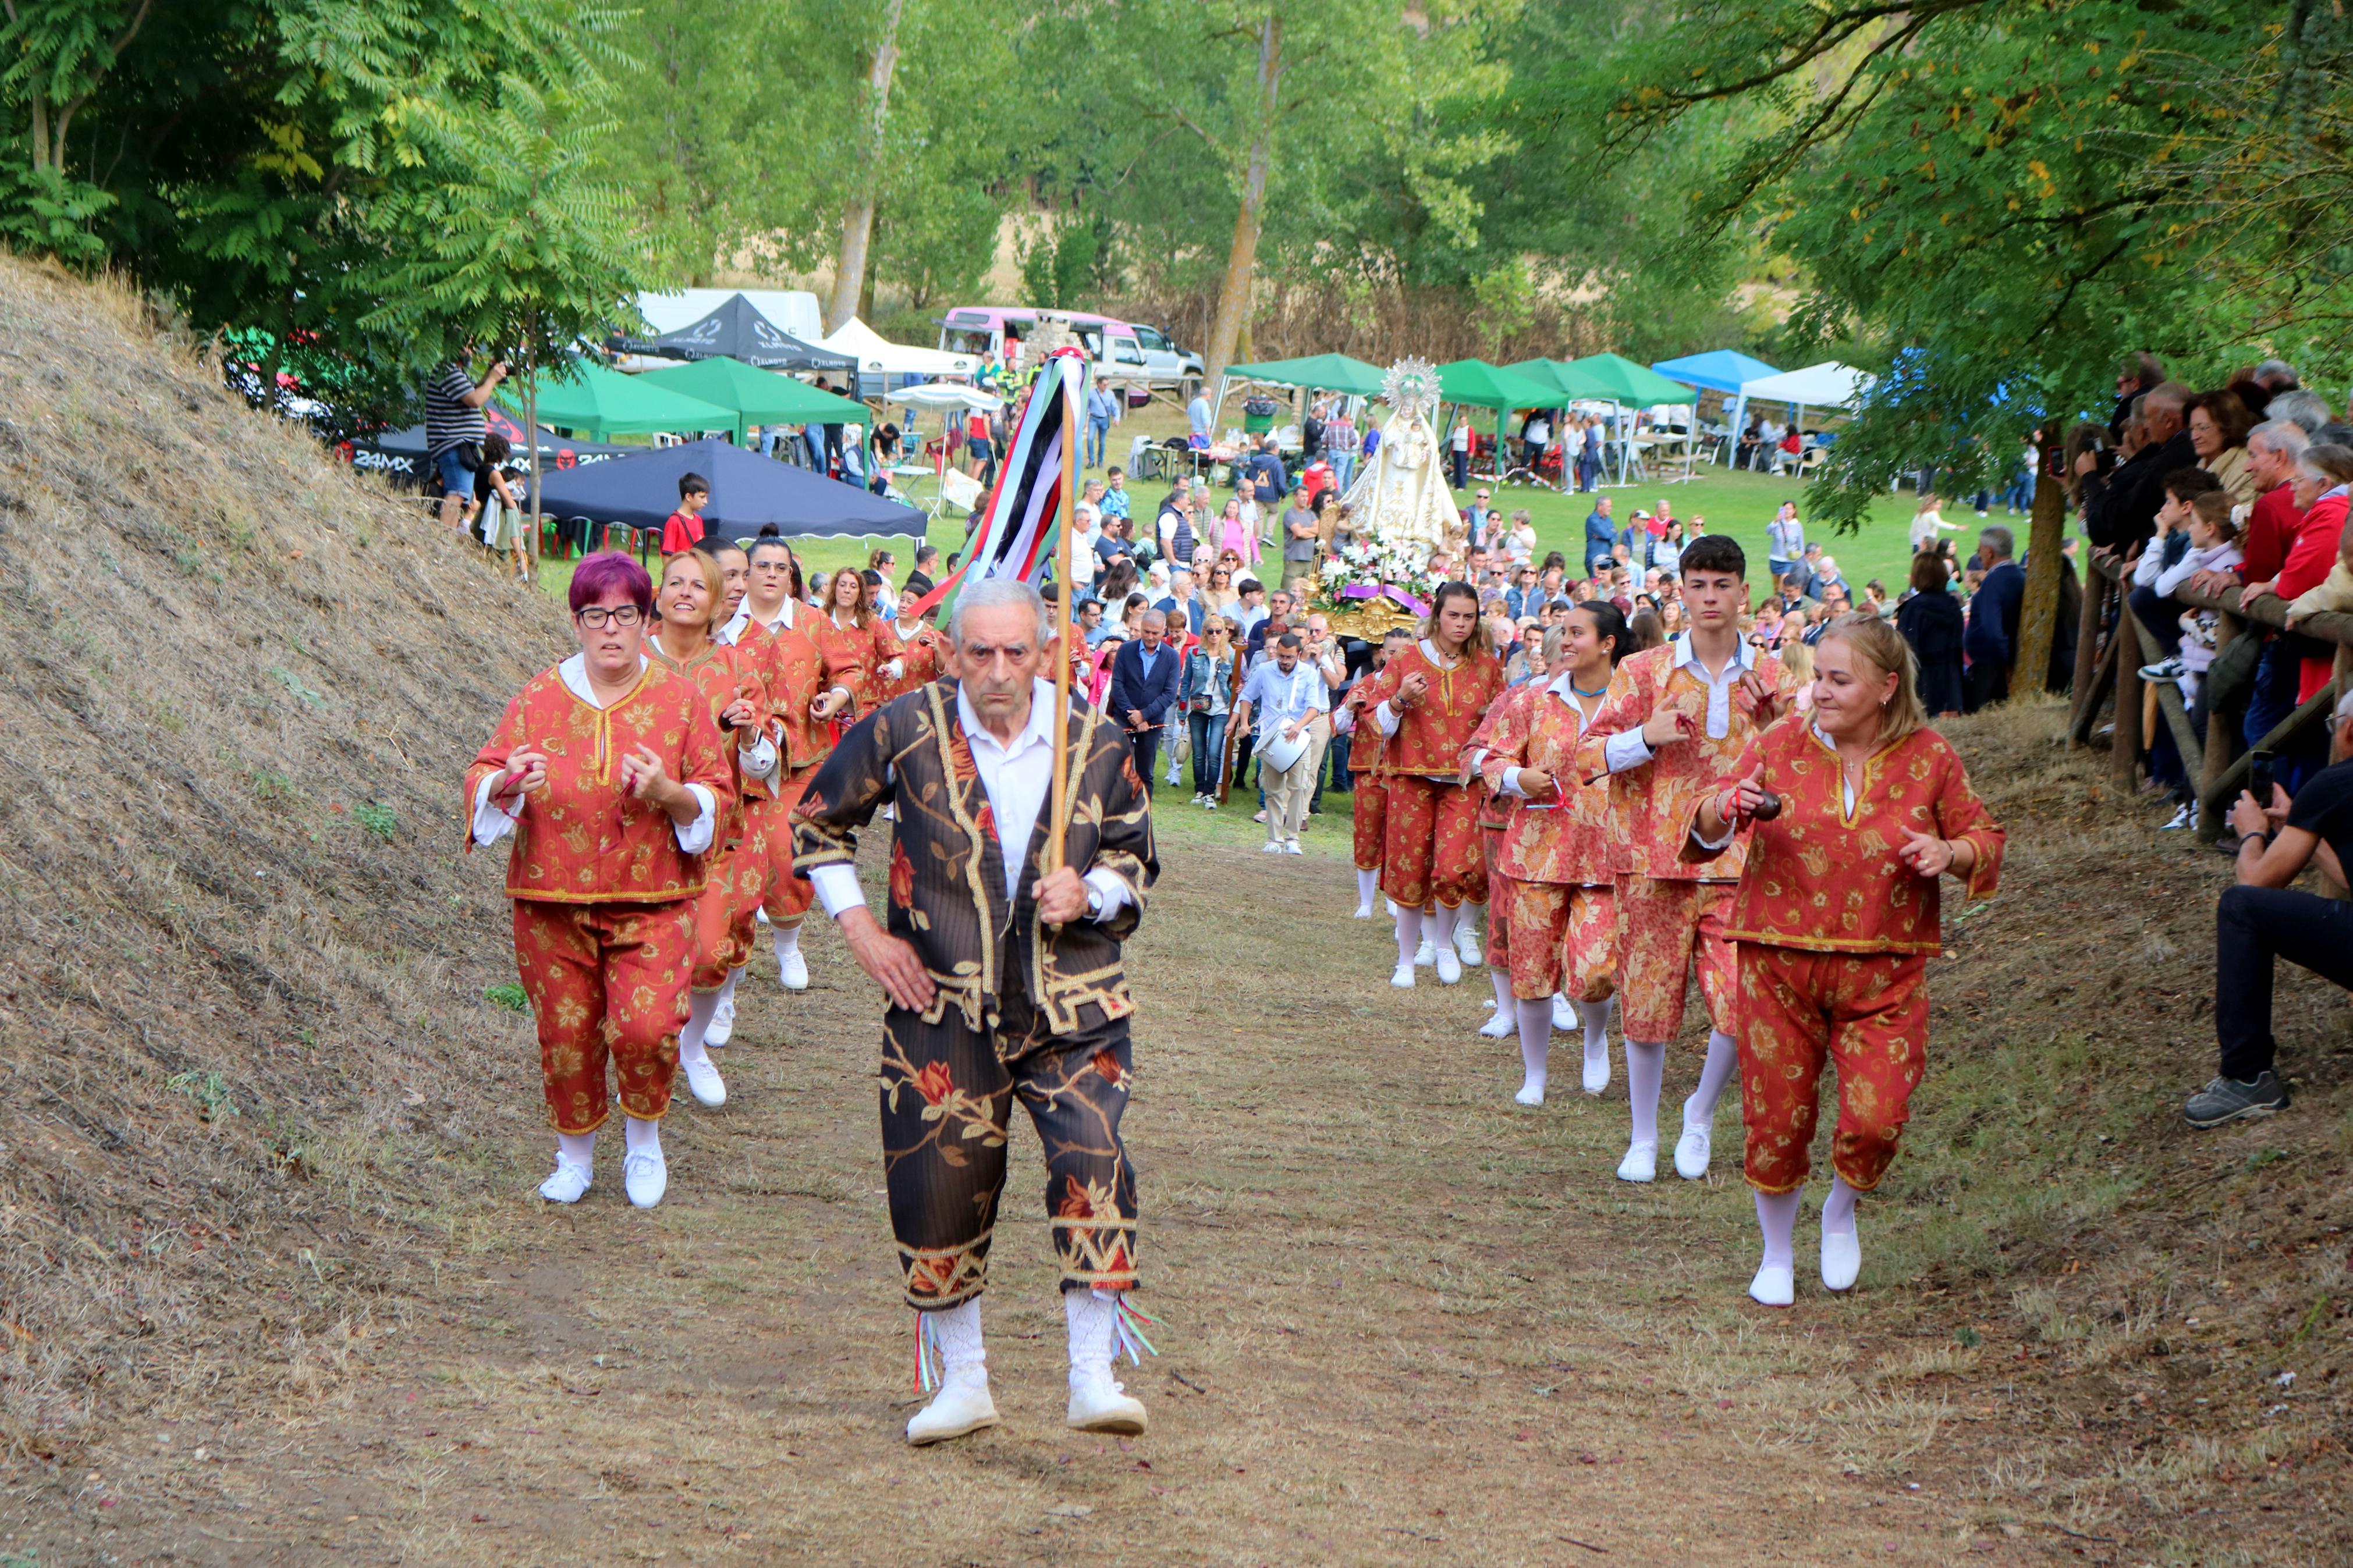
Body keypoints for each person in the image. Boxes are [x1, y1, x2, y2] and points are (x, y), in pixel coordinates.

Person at [791, 577, 1159, 1446]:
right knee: (937, 1186)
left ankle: (1091, 1377)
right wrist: (863, 934)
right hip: (938, 1005)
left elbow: (1135, 854)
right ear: (951, 651)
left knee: (1094, 1160)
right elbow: (816, 824)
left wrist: (1092, 887)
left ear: (1043, 652)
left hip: (1074, 1003)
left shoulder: (1092, 739)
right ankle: (962, 1383)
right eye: (979, 652)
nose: (997, 670)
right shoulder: (900, 727)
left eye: (1015, 651)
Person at [1693, 613, 2003, 1306]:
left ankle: (1839, 1209)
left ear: (1886, 687)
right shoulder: (1778, 743)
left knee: (1876, 1116)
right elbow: (1706, 822)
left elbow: (1983, 834)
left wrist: (1949, 853)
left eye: (1839, 679)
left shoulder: (1931, 757)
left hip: (1886, 966)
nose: (1821, 692)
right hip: (1776, 959)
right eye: (1818, 678)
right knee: (1776, 1115)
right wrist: (1724, 806)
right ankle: (1775, 1253)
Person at [464, 553, 731, 1209]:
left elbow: (718, 794)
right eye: (594, 615)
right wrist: (505, 784)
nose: (609, 629)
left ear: (646, 620)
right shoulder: (537, 696)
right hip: (550, 902)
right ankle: (574, 1156)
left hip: (654, 899)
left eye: (623, 615)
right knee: (566, 1031)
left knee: (645, 1029)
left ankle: (643, 1140)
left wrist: (670, 793)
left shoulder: (679, 698)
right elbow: (483, 771)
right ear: (576, 621)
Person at [1575, 534, 1786, 1185]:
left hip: (1741, 865)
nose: (1709, 597)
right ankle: (1643, 1135)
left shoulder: (1773, 676)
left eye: (1722, 585)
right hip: (1652, 860)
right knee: (1645, 1003)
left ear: (1743, 593)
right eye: (1697, 584)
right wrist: (1643, 736)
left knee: (1741, 1002)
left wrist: (1776, 726)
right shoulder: (1644, 672)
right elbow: (1583, 757)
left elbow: (1797, 775)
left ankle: (1698, 1111)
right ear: (1680, 592)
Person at [645, 550, 783, 1111]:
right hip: (634, 838)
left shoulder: (735, 668)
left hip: (715, 837)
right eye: (673, 582)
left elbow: (763, 762)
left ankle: (693, 1045)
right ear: (656, 594)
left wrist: (750, 738)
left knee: (706, 955)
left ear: (717, 600)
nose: (684, 592)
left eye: (696, 585)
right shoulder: (626, 657)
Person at [1479, 603, 1631, 1104]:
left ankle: (1594, 1038)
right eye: (1562, 633)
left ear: (1607, 643)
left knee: (1593, 972)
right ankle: (1535, 1075)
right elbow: (1491, 756)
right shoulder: (1533, 699)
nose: (1564, 641)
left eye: (1576, 633)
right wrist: (1514, 777)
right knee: (1532, 973)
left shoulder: (1633, 702)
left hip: (1606, 859)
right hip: (1536, 855)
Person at [2185, 691, 2353, 1127]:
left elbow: (2255, 882)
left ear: (2348, 730)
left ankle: (2246, 1076)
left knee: (2240, 906)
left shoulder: (2334, 782)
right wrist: (2304, 827)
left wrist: (2252, 833)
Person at [719, 532, 850, 998]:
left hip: (800, 764)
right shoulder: (725, 626)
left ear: (791, 575)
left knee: (787, 855)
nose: (772, 574)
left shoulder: (812, 622)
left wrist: (834, 697)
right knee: (735, 877)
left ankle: (787, 942)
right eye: (763, 566)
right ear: (746, 572)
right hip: (734, 769)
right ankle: (723, 985)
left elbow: (848, 670)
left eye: (781, 567)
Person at [1357, 583, 1506, 986]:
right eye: (1453, 614)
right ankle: (1405, 957)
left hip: (1463, 781)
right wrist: (1400, 699)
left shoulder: (1488, 666)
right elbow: (1379, 723)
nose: (1460, 623)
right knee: (1409, 868)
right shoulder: (1406, 658)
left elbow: (1501, 725)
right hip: (1411, 776)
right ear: (1437, 614)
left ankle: (1443, 942)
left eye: (1468, 616)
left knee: (1453, 867)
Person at [1233, 632, 1332, 854]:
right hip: (1271, 737)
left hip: (1298, 737)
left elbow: (1313, 707)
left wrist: (1298, 726)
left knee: (1299, 788)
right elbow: (1247, 697)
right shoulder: (1265, 670)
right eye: (1281, 656)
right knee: (1272, 789)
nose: (1284, 661)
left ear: (1298, 654)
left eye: (1289, 657)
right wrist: (1245, 723)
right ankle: (1274, 839)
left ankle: (1293, 838)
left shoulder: (1308, 673)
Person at [427, 354, 509, 531]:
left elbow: (473, 392)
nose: (471, 351)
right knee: (456, 495)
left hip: (459, 446)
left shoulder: (456, 372)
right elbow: (475, 399)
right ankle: (442, 542)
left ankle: (445, 541)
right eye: (468, 346)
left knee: (459, 495)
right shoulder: (448, 370)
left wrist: (489, 375)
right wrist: (493, 379)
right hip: (455, 445)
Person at [1106, 610, 1180, 791]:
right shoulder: (1126, 650)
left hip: (1153, 722)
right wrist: (1132, 714)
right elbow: (1117, 684)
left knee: (1145, 772)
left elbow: (1169, 694)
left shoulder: (1171, 657)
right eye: (1146, 631)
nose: (1150, 637)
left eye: (1155, 633)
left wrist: (1144, 715)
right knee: (1118, 768)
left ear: (1164, 631)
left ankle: (1144, 813)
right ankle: (1117, 812)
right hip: (1123, 718)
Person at [1960, 524, 2025, 710]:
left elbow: (1993, 629)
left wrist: (2007, 663)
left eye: (1979, 550)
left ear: (1989, 552)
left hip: (1991, 667)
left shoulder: (1995, 580)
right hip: (1997, 663)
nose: (1978, 555)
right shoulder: (2018, 575)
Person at [1181, 617, 1242, 805]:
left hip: (1221, 707)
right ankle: (1200, 790)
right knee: (1199, 752)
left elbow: (1242, 678)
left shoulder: (1232, 654)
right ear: (1204, 632)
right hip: (1199, 705)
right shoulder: (1195, 652)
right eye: (1211, 631)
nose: (1215, 635)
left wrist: (1239, 688)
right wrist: (1182, 711)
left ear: (1224, 632)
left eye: (1218, 631)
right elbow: (1186, 682)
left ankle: (1210, 792)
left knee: (1214, 751)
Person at [1896, 552, 1965, 716]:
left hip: (1923, 681)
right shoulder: (1953, 605)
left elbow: (1906, 650)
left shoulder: (1913, 609)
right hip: (1951, 679)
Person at [1279, 482, 1320, 592]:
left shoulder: (1310, 514)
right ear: (1295, 497)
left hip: (1309, 560)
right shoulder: (1290, 514)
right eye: (1302, 496)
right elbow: (1299, 533)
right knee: (1289, 591)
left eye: (1306, 496)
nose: (1305, 499)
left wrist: (1304, 530)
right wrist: (1307, 532)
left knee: (1306, 592)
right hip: (1294, 559)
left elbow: (1319, 529)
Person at [1765, 503, 1805, 586]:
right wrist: (1775, 521)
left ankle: (1781, 598)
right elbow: (1768, 531)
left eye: (1789, 509)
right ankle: (1777, 599)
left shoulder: (1797, 526)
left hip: (1789, 561)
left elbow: (1801, 544)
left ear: (1794, 511)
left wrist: (1802, 560)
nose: (1787, 511)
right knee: (1776, 587)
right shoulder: (1778, 523)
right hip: (1775, 559)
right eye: (1785, 509)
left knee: (1783, 585)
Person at [1085, 378, 1116, 471]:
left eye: (1107, 384)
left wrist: (1116, 417)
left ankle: (1100, 461)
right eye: (1104, 384)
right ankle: (1091, 461)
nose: (1106, 386)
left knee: (1102, 442)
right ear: (1099, 384)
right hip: (1093, 418)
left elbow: (1115, 407)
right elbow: (1086, 407)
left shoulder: (1110, 394)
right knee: (1090, 439)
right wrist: (1084, 421)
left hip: (1105, 419)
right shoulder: (1091, 393)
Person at [1582, 497, 1615, 575]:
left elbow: (1615, 536)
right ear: (1600, 506)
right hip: (1595, 558)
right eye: (1608, 506)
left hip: (1608, 556)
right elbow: (1606, 535)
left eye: (1611, 506)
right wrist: (1610, 533)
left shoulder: (1608, 519)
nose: (1610, 509)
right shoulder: (1592, 519)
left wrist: (1607, 536)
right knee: (1596, 583)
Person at [1449, 411, 1473, 490]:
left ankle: (1463, 485)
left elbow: (1472, 441)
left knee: (1462, 468)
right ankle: (1457, 484)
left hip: (1464, 451)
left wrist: (1471, 451)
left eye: (1464, 421)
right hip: (1456, 449)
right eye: (1462, 421)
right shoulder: (1457, 428)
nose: (1463, 422)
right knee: (1457, 468)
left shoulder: (1469, 429)